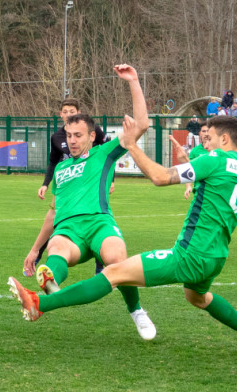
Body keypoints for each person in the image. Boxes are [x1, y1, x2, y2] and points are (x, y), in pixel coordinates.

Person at [8, 115, 237, 355]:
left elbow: (159, 177)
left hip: (189, 255)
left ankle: (39, 304)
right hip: (216, 257)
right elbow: (215, 182)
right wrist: (188, 162)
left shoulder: (214, 160)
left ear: (224, 139)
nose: (206, 145)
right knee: (197, 297)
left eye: (209, 138)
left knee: (113, 272)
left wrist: (132, 145)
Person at [17, 64, 157, 341]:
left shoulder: (103, 153)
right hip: (68, 229)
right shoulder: (60, 169)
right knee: (56, 247)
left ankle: (137, 311)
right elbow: (52, 212)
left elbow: (141, 124)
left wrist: (133, 81)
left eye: (78, 135)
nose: (72, 141)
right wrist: (35, 250)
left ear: (92, 136)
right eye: (68, 136)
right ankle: (52, 285)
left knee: (117, 257)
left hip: (99, 222)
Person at [28, 98, 108, 276]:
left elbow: (106, 155)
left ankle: (101, 264)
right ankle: (40, 257)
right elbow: (53, 162)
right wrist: (45, 184)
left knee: (98, 219)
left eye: (72, 111)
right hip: (66, 181)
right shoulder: (56, 137)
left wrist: (111, 181)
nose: (69, 114)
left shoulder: (92, 130)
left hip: (89, 181)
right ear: (60, 114)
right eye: (65, 111)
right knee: (55, 217)